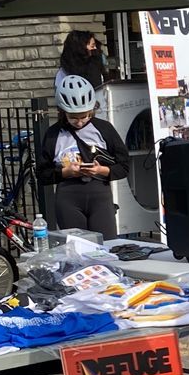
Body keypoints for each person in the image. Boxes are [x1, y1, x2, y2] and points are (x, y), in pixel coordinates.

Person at [37, 73, 129, 239]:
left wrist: (101, 170)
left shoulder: (104, 129)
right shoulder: (53, 134)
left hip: (99, 195)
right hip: (68, 197)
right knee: (76, 252)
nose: (79, 122)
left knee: (106, 248)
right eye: (73, 118)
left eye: (84, 116)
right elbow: (42, 174)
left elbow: (124, 166)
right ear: (62, 112)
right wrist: (67, 172)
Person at [56, 28, 109, 93]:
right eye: (92, 46)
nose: (95, 49)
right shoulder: (64, 73)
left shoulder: (96, 64)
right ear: (80, 48)